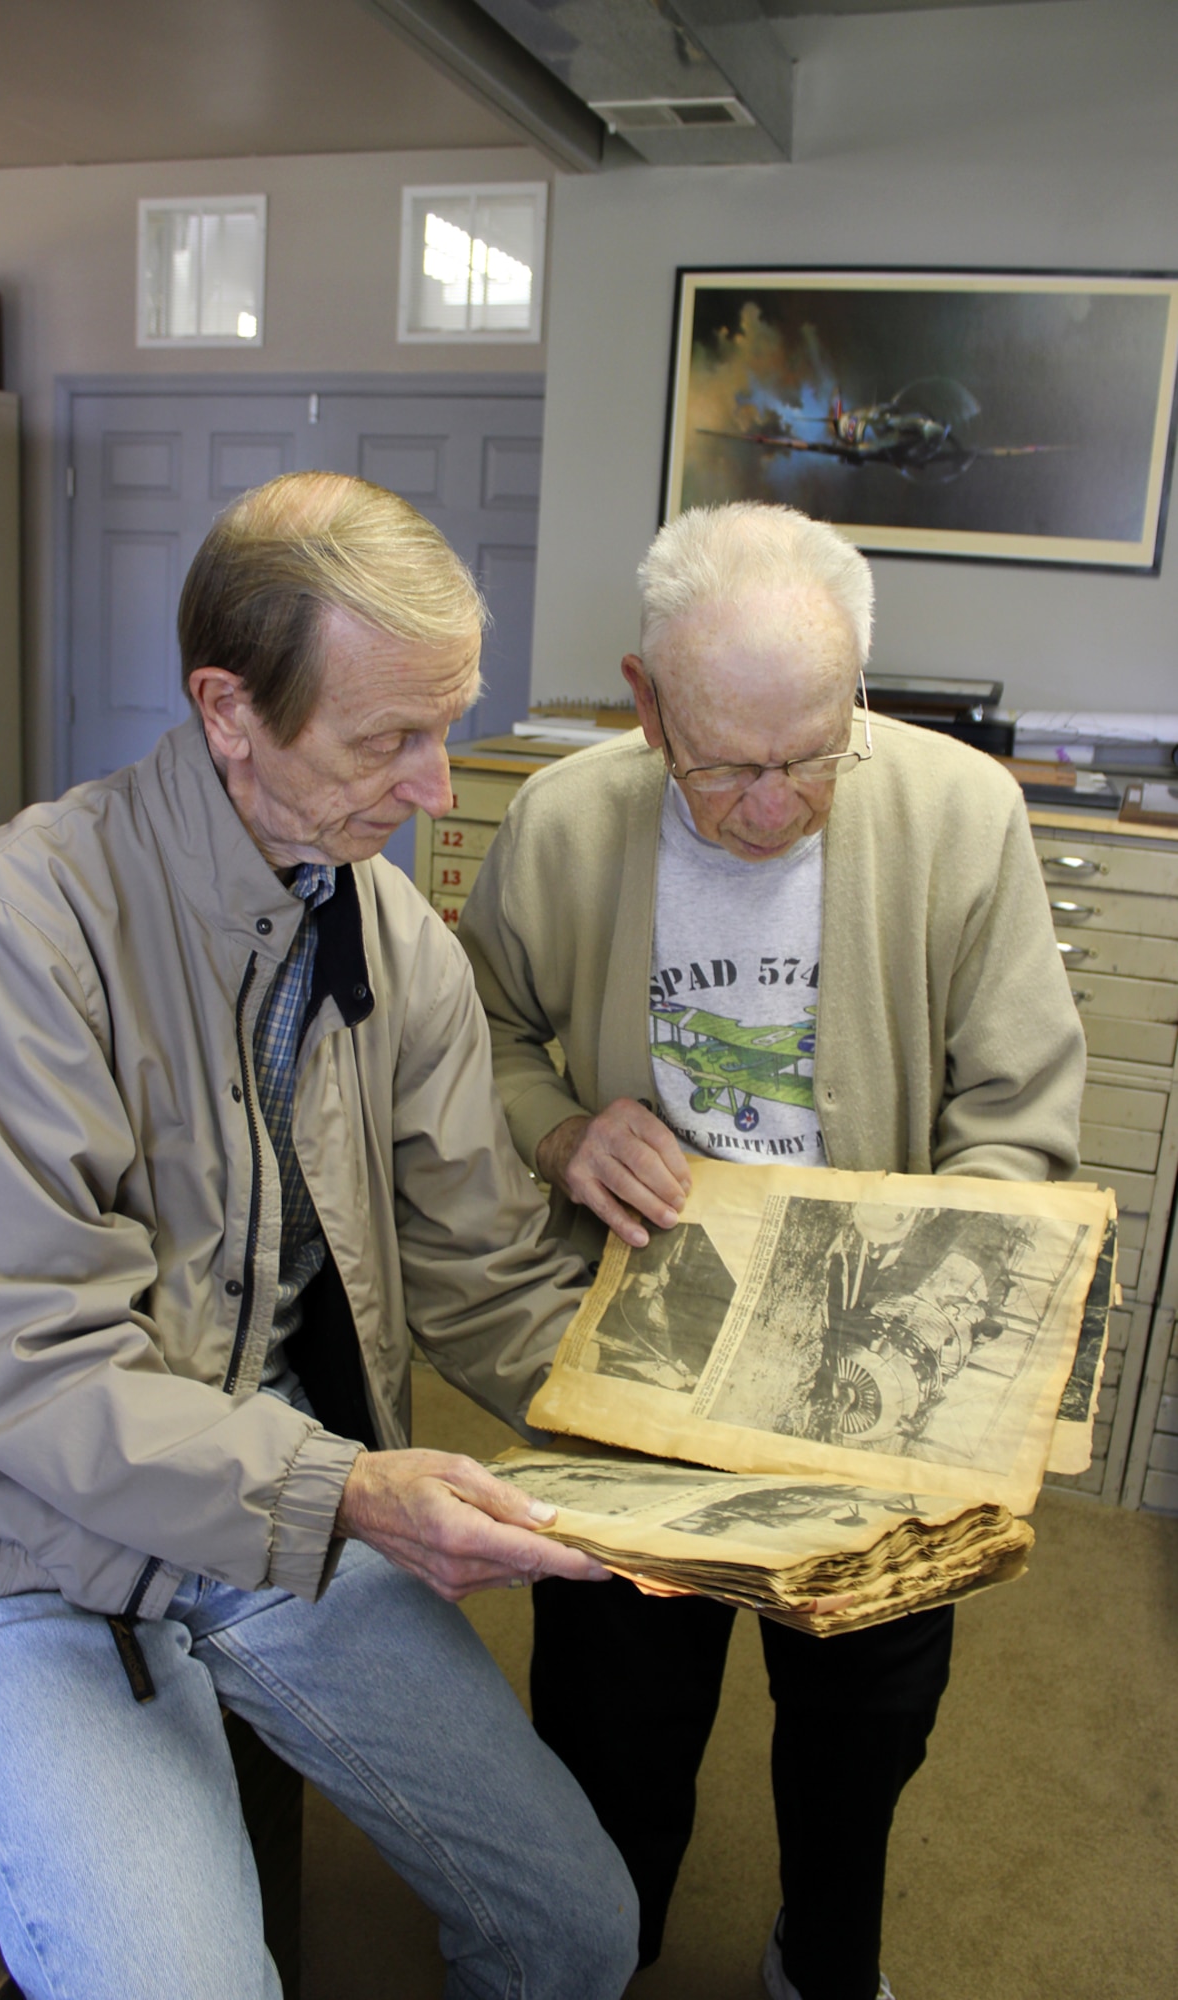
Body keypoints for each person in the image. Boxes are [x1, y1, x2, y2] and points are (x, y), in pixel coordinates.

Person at [0, 473, 640, 2000]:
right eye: (385, 739)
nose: (433, 788)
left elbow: (476, 1261)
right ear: (228, 711)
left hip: (263, 1473)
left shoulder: (390, 931)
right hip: (12, 1533)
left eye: (447, 724)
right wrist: (346, 1492)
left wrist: (683, 1423)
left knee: (574, 1930)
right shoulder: (14, 923)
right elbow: (23, 1370)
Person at [457, 500, 1086, 2000]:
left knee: (865, 1708)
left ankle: (824, 1951)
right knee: (613, 1719)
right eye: (728, 764)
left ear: (855, 692)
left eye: (813, 752)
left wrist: (922, 1259)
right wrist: (558, 1127)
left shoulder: (958, 812)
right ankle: (596, 1955)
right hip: (642, 1348)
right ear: (643, 700)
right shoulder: (565, 818)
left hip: (873, 1354)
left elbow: (1015, 1109)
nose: (773, 802)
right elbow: (470, 1035)